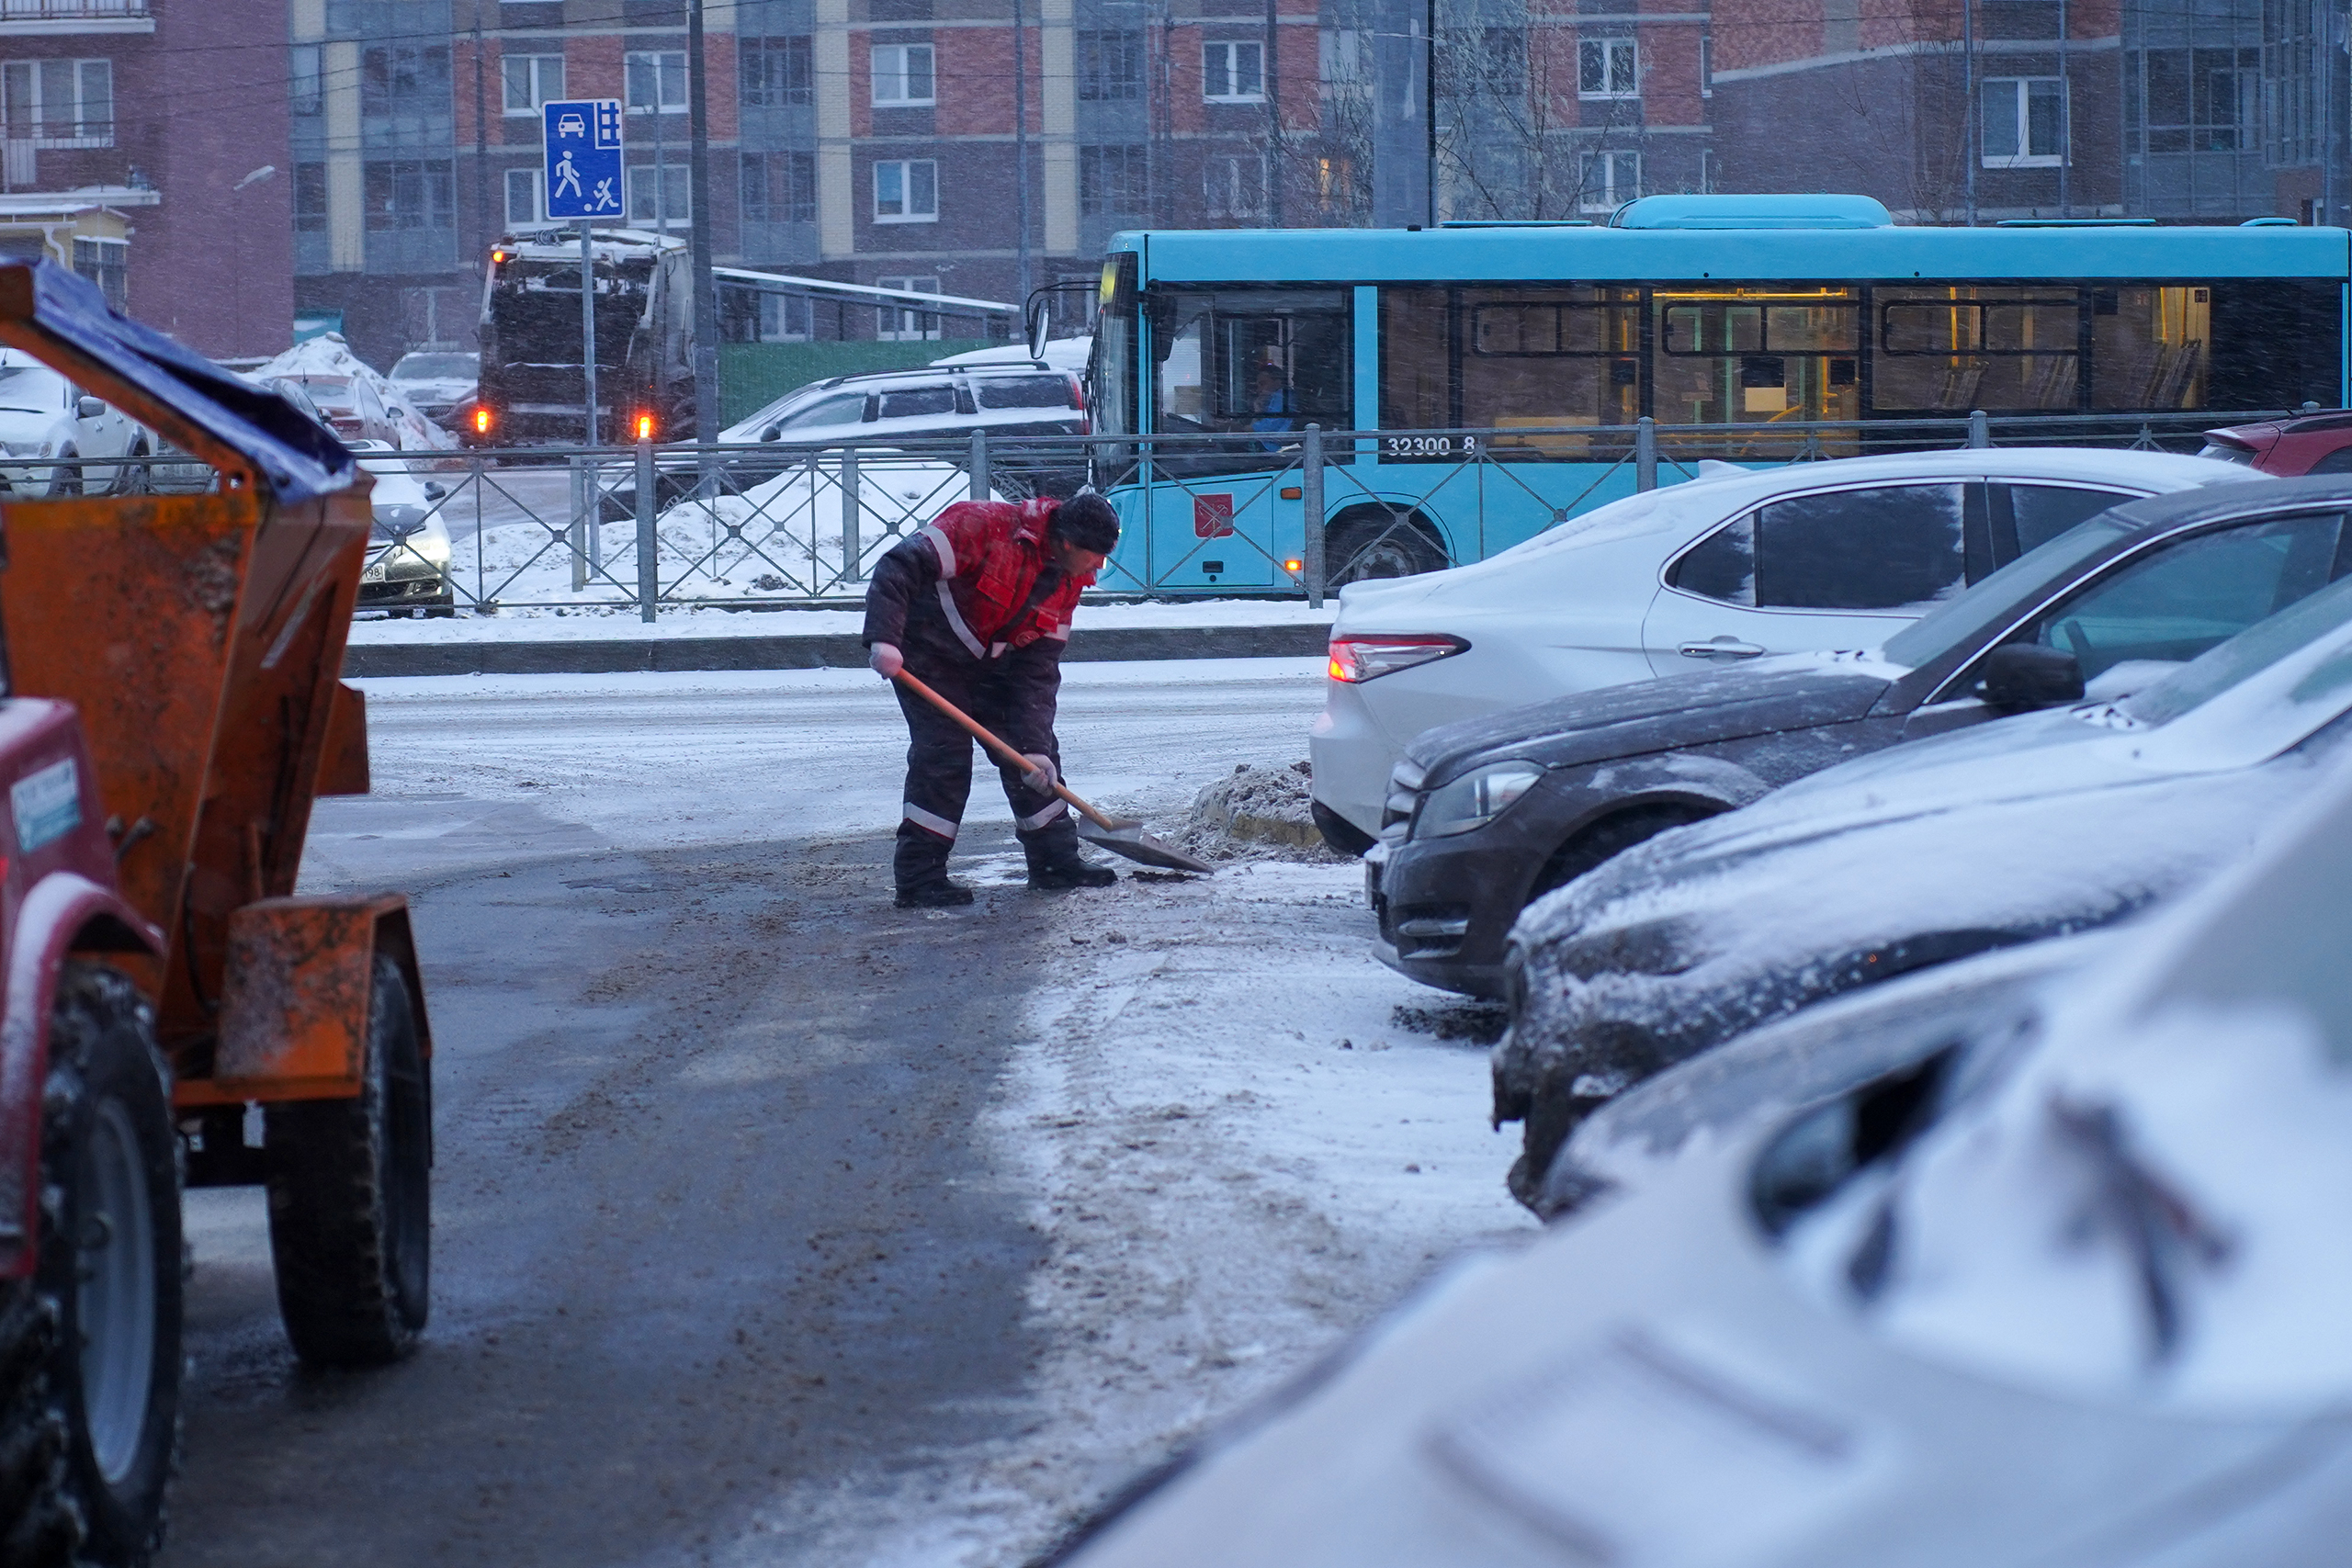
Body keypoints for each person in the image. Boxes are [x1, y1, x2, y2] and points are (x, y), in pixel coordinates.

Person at [864, 490, 1125, 908]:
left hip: (993, 660)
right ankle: (919, 878)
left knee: (1034, 758)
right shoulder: (980, 526)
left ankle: (1055, 864)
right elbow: (899, 565)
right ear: (1070, 543)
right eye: (1097, 556)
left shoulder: (1069, 580)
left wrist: (1035, 746)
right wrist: (884, 638)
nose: (1098, 569)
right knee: (944, 756)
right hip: (925, 653)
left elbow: (1038, 670)